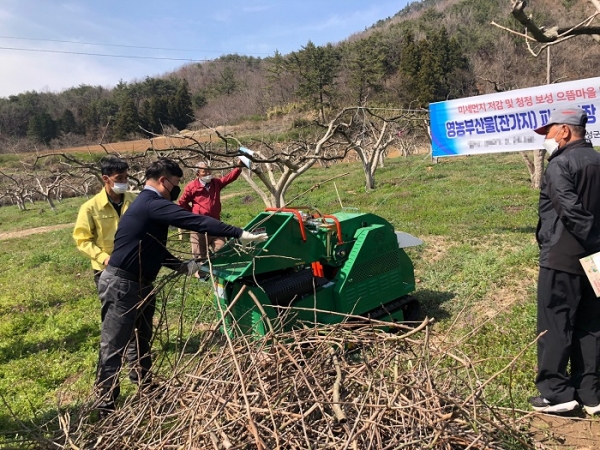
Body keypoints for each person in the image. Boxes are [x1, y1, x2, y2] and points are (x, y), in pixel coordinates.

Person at [94, 157, 266, 418]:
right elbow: (193, 220)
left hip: (139, 282)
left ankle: (145, 384)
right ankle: (106, 405)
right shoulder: (151, 202)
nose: (176, 190)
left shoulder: (147, 205)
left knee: (140, 338)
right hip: (122, 283)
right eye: (175, 183)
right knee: (114, 343)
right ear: (163, 181)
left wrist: (182, 266)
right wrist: (238, 232)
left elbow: (151, 248)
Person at [528, 107, 600, 415]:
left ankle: (557, 394)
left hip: (562, 258)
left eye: (550, 132)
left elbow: (570, 211)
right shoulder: (597, 161)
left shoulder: (560, 165)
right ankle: (591, 393)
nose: (548, 139)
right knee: (591, 324)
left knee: (555, 324)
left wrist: (594, 241)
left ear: (565, 131)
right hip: (595, 261)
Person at [73, 157, 136, 288]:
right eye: (119, 178)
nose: (124, 182)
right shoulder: (90, 207)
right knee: (113, 306)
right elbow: (82, 240)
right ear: (105, 179)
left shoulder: (135, 201)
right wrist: (104, 258)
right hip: (105, 270)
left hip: (134, 264)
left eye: (126, 177)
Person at [178, 160, 244, 260]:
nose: (208, 173)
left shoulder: (216, 183)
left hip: (215, 224)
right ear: (198, 174)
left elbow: (229, 178)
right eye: (204, 171)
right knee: (200, 255)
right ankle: (202, 274)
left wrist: (238, 168)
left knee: (222, 250)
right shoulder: (192, 187)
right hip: (199, 226)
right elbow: (182, 202)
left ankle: (222, 271)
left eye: (209, 170)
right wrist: (193, 213)